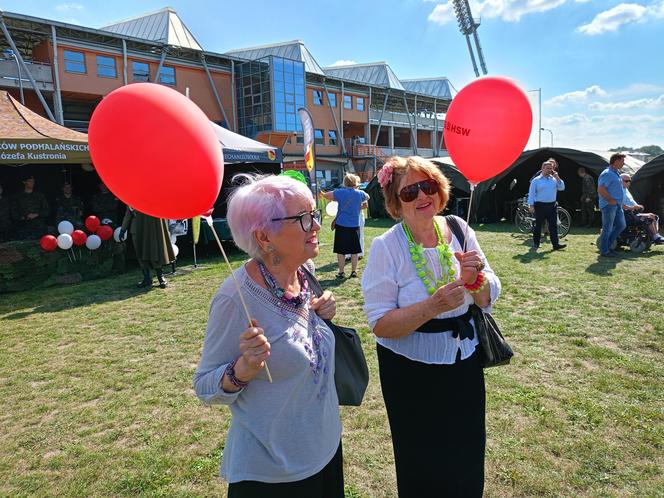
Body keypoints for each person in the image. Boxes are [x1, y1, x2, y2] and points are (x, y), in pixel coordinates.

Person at [193, 175, 344, 498]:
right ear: (264, 237)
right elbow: (204, 386)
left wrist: (322, 315)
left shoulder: (304, 272)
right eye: (303, 219)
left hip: (324, 450)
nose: (315, 226)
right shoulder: (234, 298)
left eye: (313, 214)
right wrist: (242, 370)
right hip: (272, 474)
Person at [361, 156, 501, 497]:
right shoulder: (387, 247)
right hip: (411, 373)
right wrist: (433, 305)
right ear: (396, 202)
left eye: (429, 186)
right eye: (410, 191)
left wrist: (476, 279)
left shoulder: (459, 228)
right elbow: (380, 324)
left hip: (463, 360)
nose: (423, 196)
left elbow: (487, 298)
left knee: (467, 452)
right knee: (422, 462)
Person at [322, 173, 369, 278]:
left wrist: (324, 193)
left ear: (345, 183)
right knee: (354, 251)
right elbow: (367, 197)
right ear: (355, 183)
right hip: (354, 226)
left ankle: (341, 272)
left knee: (341, 251)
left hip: (341, 225)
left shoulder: (340, 192)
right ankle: (353, 272)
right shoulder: (360, 193)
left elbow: (326, 195)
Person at [120, 207, 175, 288]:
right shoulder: (131, 197)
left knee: (154, 251)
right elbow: (128, 214)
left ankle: (160, 277)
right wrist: (123, 229)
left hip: (151, 227)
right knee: (140, 254)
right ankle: (146, 278)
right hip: (137, 229)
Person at [527, 160, 566, 250]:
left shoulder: (554, 179)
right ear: (542, 169)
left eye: (551, 168)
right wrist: (531, 205)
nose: (549, 170)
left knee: (553, 226)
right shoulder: (536, 181)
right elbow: (531, 193)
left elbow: (562, 188)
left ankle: (555, 245)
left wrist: (558, 178)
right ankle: (536, 243)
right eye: (547, 168)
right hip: (540, 206)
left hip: (552, 206)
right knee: (538, 225)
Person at [597, 153, 627, 257]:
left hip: (617, 205)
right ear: (616, 161)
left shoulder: (616, 173)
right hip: (609, 205)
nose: (624, 163)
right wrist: (611, 200)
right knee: (607, 228)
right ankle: (605, 250)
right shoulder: (607, 173)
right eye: (622, 161)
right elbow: (600, 189)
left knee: (621, 225)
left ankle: (608, 246)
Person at [621, 174, 664, 244]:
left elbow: (631, 201)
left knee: (654, 216)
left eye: (629, 181)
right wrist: (633, 207)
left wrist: (638, 206)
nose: (628, 182)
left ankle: (655, 235)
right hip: (627, 214)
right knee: (649, 218)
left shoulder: (626, 190)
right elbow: (620, 205)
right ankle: (655, 236)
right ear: (620, 181)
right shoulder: (618, 191)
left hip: (633, 212)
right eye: (626, 181)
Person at [10, 173, 50, 240]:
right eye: (30, 181)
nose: (32, 183)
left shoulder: (40, 195)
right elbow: (13, 212)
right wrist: (23, 217)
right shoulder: (17, 196)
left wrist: (37, 214)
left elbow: (47, 210)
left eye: (33, 181)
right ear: (24, 182)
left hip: (38, 227)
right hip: (23, 228)